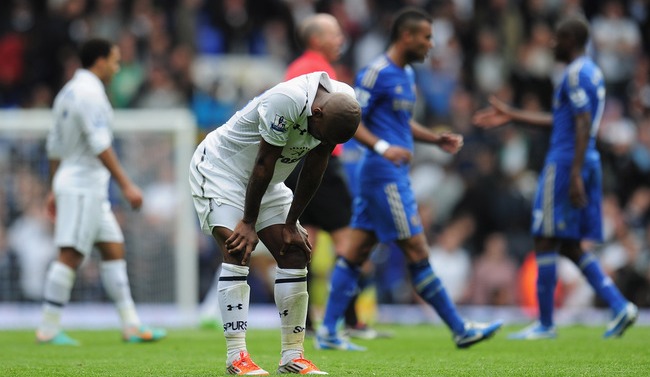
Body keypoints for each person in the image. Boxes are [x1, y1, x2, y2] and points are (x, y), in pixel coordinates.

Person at [316, 7, 503, 352]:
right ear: (407, 36)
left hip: (391, 174)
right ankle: (460, 328)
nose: (432, 45)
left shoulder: (406, 75)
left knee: (355, 252)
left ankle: (328, 331)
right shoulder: (376, 73)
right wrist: (384, 147)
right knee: (417, 250)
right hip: (383, 176)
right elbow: (350, 120)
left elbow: (401, 124)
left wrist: (435, 138)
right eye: (427, 37)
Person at [473, 16, 638, 339]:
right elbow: (564, 118)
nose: (552, 44)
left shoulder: (575, 74)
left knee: (544, 236)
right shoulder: (590, 72)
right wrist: (513, 114)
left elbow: (581, 123)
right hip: (582, 159)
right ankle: (619, 306)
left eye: (558, 38)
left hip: (566, 163)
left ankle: (546, 323)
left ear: (572, 40)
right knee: (570, 245)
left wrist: (573, 172)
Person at [189, 71, 361, 375]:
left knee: (295, 250)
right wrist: (248, 222)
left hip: (267, 182)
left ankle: (292, 357)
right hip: (221, 171)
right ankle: (236, 356)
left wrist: (292, 221)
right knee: (237, 247)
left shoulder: (342, 102)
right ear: (316, 112)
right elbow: (263, 163)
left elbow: (315, 165)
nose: (321, 142)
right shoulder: (287, 100)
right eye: (321, 134)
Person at [38, 38, 166, 345]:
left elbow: (55, 146)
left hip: (80, 184)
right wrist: (126, 184)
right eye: (114, 61)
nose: (117, 67)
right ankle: (48, 327)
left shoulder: (67, 92)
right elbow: (100, 145)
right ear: (99, 61)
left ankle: (131, 325)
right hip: (83, 185)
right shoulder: (89, 93)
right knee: (70, 254)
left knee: (113, 249)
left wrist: (54, 186)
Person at [282, 12, 381, 339]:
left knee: (303, 242)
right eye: (334, 34)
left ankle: (305, 323)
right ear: (315, 40)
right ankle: (350, 320)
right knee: (347, 242)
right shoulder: (318, 71)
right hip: (319, 163)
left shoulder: (296, 69)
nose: (340, 40)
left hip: (295, 164)